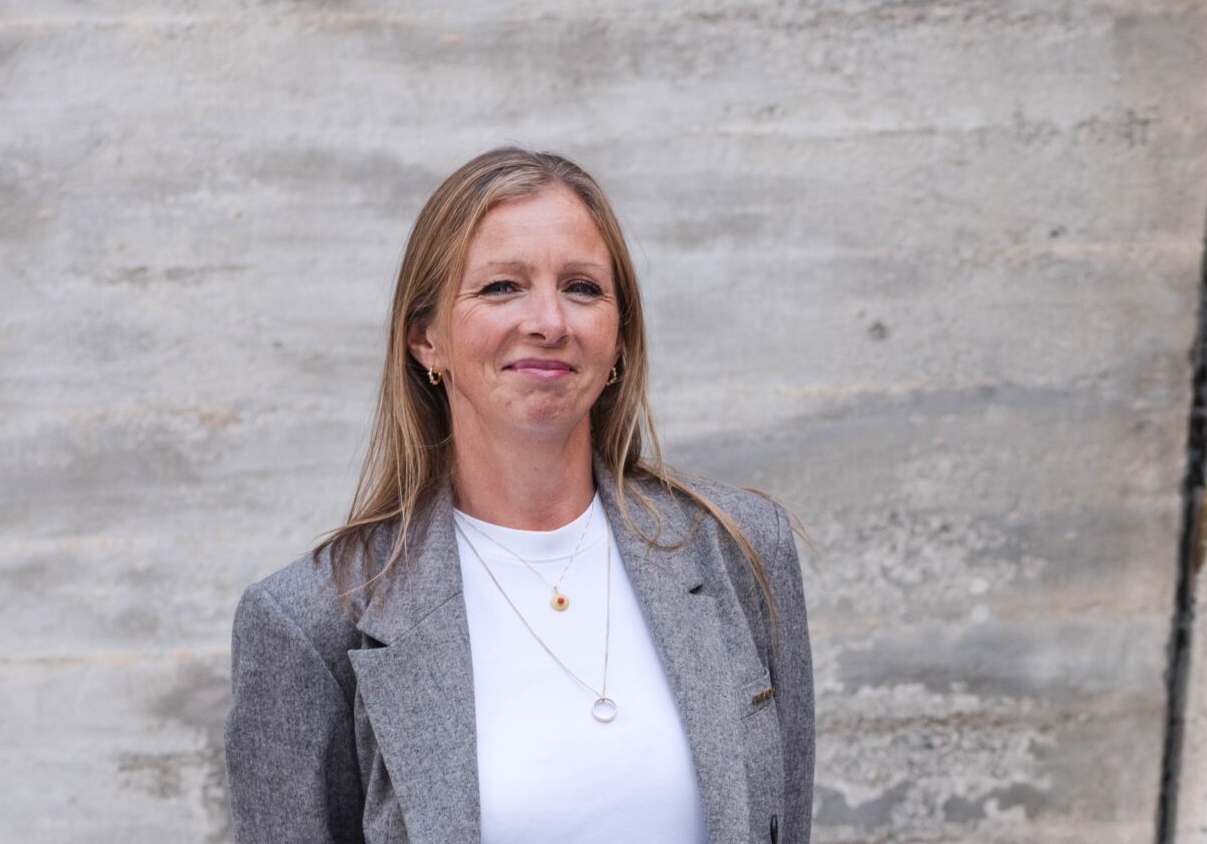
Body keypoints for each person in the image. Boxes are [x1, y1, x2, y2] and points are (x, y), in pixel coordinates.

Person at [225, 148, 814, 844]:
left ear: (620, 335)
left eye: (583, 288)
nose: (549, 321)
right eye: (503, 286)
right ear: (426, 338)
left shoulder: (740, 550)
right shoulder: (313, 620)